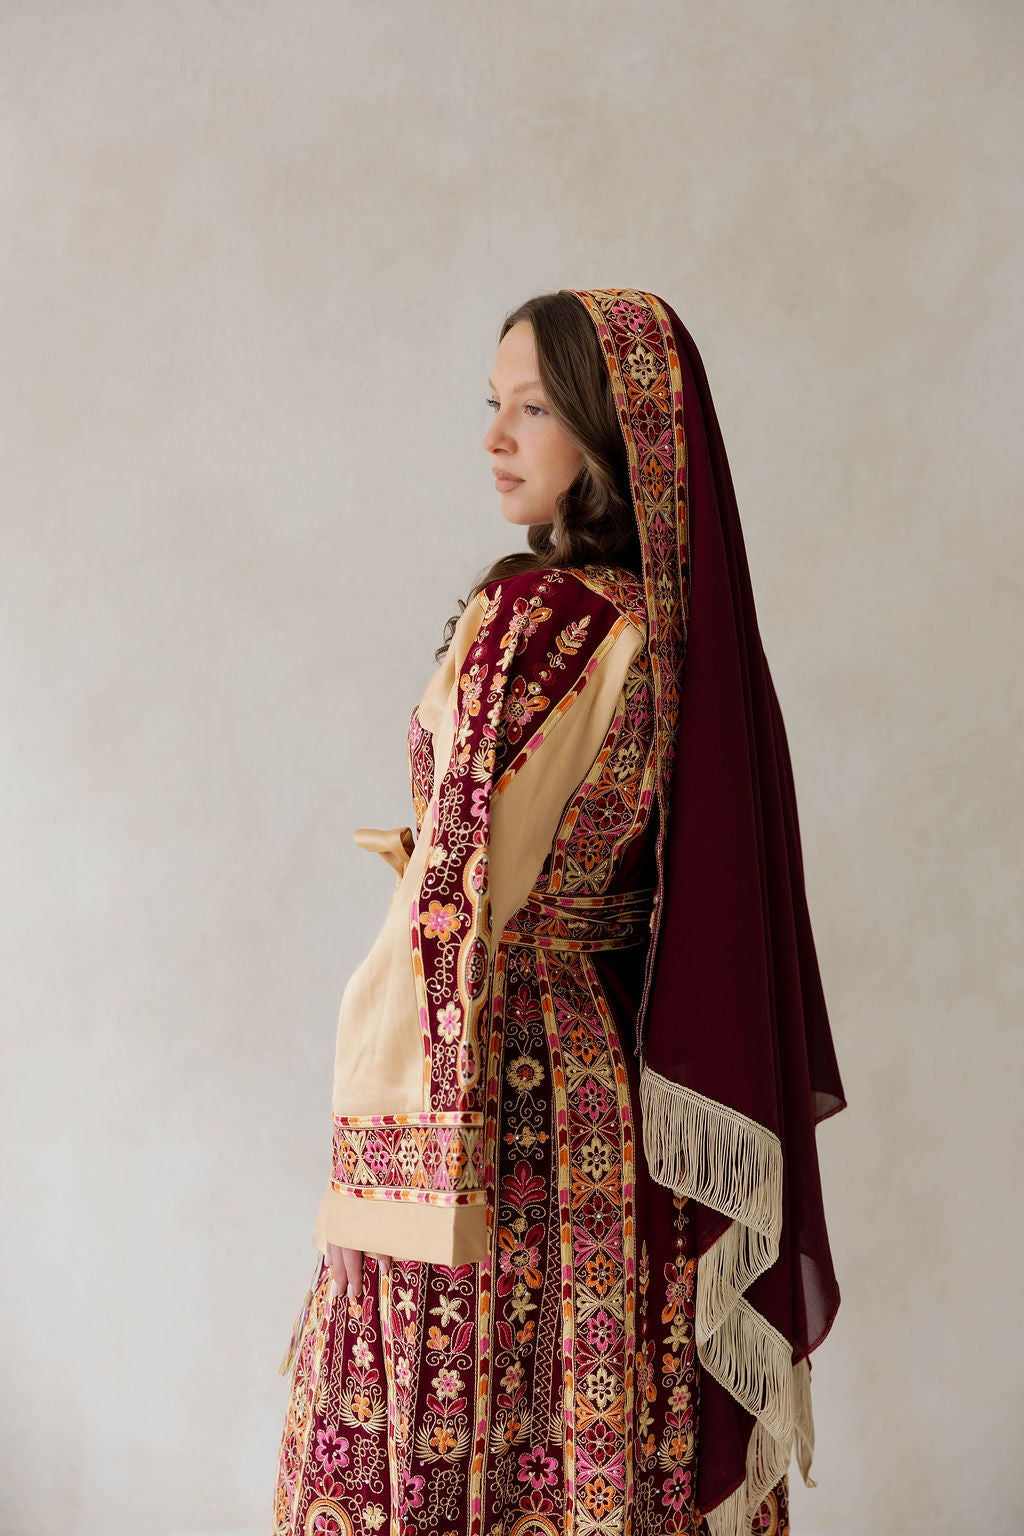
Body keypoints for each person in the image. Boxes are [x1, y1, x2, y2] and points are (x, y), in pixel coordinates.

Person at [272, 288, 847, 1536]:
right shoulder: (669, 632)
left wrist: (381, 1131)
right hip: (614, 1077)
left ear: (609, 432)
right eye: (493, 404)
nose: (494, 437)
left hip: (494, 1080)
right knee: (598, 1400)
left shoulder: (537, 621)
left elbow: (461, 895)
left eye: (531, 409)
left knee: (459, 1399)